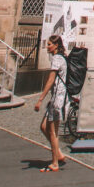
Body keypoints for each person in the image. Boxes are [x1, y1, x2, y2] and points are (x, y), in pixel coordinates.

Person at [34, 34, 67, 171]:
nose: (47, 46)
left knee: (53, 132)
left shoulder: (57, 59)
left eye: (49, 44)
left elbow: (50, 80)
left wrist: (40, 99)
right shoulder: (60, 58)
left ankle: (55, 163)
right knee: (43, 126)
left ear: (56, 45)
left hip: (57, 100)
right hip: (56, 98)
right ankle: (58, 154)